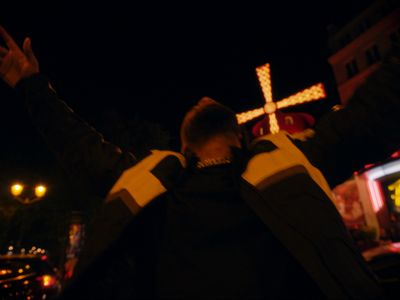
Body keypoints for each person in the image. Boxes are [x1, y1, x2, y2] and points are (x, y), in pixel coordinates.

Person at [1, 26, 399, 299]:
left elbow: (376, 107)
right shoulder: (150, 183)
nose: (204, 98)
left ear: (242, 137)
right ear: (183, 144)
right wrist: (29, 84)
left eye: (211, 103)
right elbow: (80, 146)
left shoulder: (293, 157)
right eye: (196, 103)